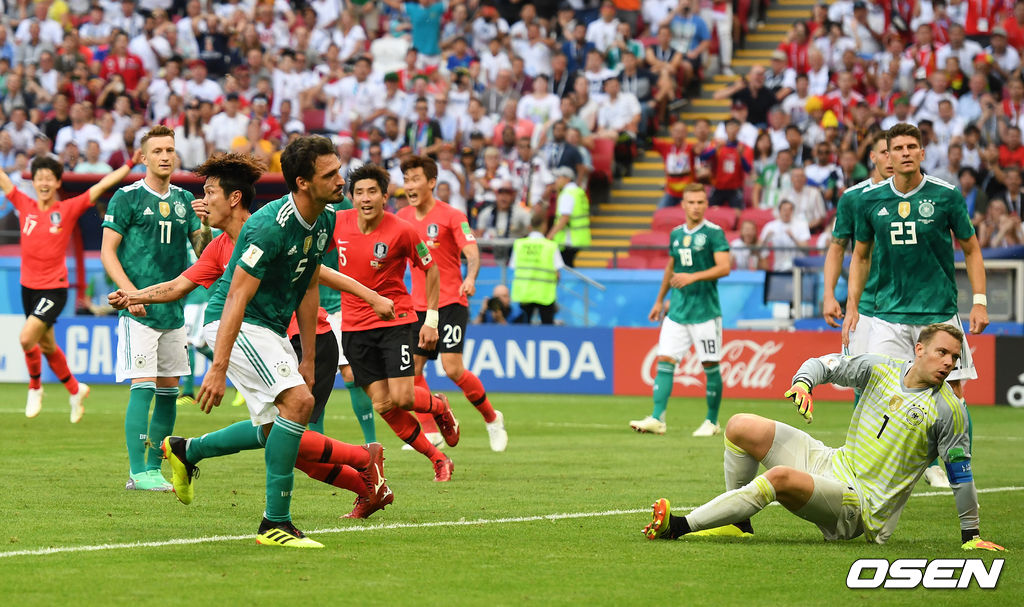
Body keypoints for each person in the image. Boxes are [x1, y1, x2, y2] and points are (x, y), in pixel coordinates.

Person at [108, 151, 396, 524]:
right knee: (286, 429)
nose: (202, 201)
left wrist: (363, 304)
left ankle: (191, 452)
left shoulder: (269, 227)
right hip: (255, 334)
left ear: (234, 198)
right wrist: (135, 295)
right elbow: (181, 286)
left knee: (284, 430)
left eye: (210, 192)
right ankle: (359, 473)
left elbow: (314, 276)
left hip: (300, 336)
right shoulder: (219, 247)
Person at [643, 324, 1005, 553]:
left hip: (860, 506)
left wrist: (970, 536)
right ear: (920, 349)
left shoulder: (949, 410)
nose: (948, 363)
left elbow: (961, 476)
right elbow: (825, 364)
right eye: (942, 352)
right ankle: (739, 525)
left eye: (955, 358)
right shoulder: (880, 368)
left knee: (779, 480)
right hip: (832, 463)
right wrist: (804, 382)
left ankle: (679, 527)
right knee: (740, 426)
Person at [188, 136, 376, 547]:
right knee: (300, 405)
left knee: (278, 425)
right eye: (329, 175)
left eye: (338, 169)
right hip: (232, 322)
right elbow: (237, 296)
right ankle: (276, 523)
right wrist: (218, 369)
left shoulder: (324, 218)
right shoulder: (268, 227)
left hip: (269, 328)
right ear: (303, 183)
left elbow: (309, 285)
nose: (340, 179)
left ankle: (188, 452)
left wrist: (308, 357)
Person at [846, 123, 988, 487]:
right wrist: (852, 307)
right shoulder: (870, 201)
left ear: (922, 153)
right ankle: (866, 471)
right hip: (888, 317)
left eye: (913, 146)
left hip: (938, 315)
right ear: (887, 157)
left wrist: (980, 302)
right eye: (899, 148)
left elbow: (971, 249)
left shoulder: (946, 195)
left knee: (953, 396)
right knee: (877, 393)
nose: (906, 152)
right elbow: (860, 257)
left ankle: (961, 474)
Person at [100, 125, 212, 492]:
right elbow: (108, 251)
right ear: (144, 157)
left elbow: (202, 251)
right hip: (138, 311)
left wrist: (208, 223)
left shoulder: (183, 200)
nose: (166, 156)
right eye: (158, 150)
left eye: (170, 149)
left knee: (169, 390)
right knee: (143, 386)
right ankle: (137, 470)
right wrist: (131, 295)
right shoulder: (127, 197)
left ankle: (153, 468)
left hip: (173, 309)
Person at [335, 163, 458, 482]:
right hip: (354, 327)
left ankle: (440, 407)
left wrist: (431, 320)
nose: (365, 198)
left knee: (403, 397)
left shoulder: (402, 230)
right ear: (350, 196)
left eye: (372, 191)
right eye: (359, 192)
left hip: (395, 320)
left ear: (385, 196)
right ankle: (438, 458)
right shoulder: (336, 223)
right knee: (384, 404)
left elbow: (431, 269)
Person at [8, 153, 136, 421]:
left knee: (25, 338)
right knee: (47, 346)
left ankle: (35, 387)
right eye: (39, 178)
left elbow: (101, 186)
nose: (43, 182)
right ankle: (75, 389)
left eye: (49, 178)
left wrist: (129, 164)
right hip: (27, 288)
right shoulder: (24, 203)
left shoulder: (65, 210)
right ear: (34, 181)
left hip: (53, 289)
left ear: (56, 183)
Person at [397, 155, 509, 453]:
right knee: (411, 371)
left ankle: (492, 418)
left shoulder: (452, 215)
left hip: (450, 301)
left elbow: (471, 251)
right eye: (406, 180)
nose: (410, 185)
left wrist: (470, 277)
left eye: (416, 179)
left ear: (431, 182)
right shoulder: (402, 218)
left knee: (452, 367)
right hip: (418, 306)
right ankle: (431, 431)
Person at [630, 184, 731, 437]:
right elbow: (670, 268)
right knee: (665, 359)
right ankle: (657, 418)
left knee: (710, 364)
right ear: (683, 205)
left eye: (700, 202)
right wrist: (658, 300)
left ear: (706, 205)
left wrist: (692, 277)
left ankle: (711, 421)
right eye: (691, 202)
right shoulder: (675, 234)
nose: (696, 206)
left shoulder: (714, 233)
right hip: (677, 310)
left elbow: (724, 267)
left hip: (705, 312)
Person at [822, 131, 893, 365]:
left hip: (906, 302)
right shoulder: (852, 198)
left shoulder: (915, 198)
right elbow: (836, 249)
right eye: (885, 152)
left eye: (895, 152)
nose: (891, 159)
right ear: (872, 156)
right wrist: (829, 294)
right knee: (860, 378)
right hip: (864, 303)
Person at [510, 212, 564, 325]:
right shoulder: (550, 246)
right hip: (545, 294)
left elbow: (513, 266)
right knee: (547, 329)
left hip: (524, 293)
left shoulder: (519, 244)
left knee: (523, 329)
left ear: (530, 226)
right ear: (544, 225)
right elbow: (557, 273)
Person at [547, 166, 590, 267]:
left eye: (558, 177)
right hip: (578, 237)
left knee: (565, 267)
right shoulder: (578, 192)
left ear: (567, 178)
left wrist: (549, 237)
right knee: (569, 265)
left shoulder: (567, 194)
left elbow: (564, 218)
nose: (556, 180)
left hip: (568, 239)